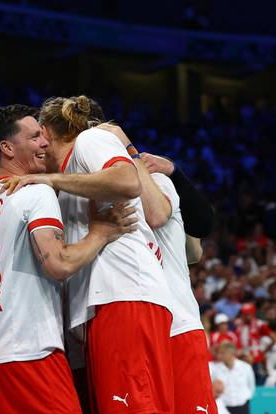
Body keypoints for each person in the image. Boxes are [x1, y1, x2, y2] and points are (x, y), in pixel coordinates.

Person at [2, 96, 174, 414]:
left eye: (39, 135)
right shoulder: (70, 184)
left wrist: (49, 179)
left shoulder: (90, 141)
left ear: (48, 132)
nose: (38, 145)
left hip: (125, 297)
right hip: (112, 304)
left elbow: (126, 180)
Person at [0, 104, 137, 413]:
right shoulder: (35, 192)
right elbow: (59, 263)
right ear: (7, 148)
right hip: (29, 348)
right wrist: (100, 233)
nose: (44, 143)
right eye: (34, 137)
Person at [99, 123, 217, 414]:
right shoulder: (153, 180)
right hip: (161, 320)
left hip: (154, 323)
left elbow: (190, 239)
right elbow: (194, 250)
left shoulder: (152, 182)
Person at [210, 341, 255, 414]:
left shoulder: (246, 367)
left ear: (231, 354)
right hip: (224, 408)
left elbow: (251, 387)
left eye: (222, 353)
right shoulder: (215, 369)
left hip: (242, 406)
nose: (219, 355)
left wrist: (245, 399)